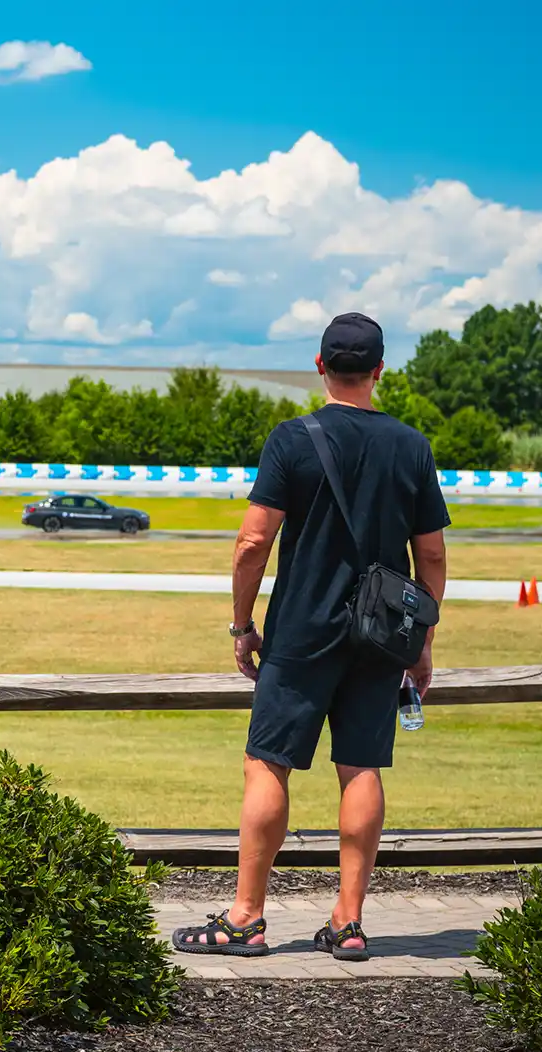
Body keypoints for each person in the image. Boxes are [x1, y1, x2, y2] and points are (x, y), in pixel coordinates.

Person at [174, 312, 449, 962]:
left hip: (299, 630)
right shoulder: (411, 446)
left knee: (267, 762)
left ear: (320, 366)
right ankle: (349, 923)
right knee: (361, 767)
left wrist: (243, 624)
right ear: (379, 371)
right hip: (380, 637)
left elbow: (253, 541)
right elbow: (432, 555)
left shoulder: (292, 439)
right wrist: (422, 641)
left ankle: (246, 918)